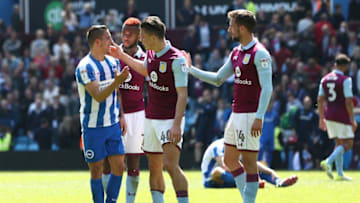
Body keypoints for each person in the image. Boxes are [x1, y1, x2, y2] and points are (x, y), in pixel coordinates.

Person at [186, 9, 273, 203]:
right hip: (236, 114)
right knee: (229, 160)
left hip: (250, 115)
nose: (229, 29)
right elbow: (218, 79)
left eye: (231, 25)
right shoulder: (236, 52)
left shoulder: (260, 53)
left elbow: (267, 88)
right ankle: (247, 199)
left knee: (249, 163)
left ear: (242, 28)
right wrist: (190, 69)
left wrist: (259, 116)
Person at [110, 16, 189, 203]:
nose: (141, 40)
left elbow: (183, 95)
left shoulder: (176, 59)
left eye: (143, 37)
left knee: (170, 165)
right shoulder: (152, 54)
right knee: (154, 167)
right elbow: (145, 69)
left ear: (153, 37)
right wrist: (121, 55)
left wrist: (176, 125)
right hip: (151, 119)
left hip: (170, 120)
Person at [75, 25, 129, 203]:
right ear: (97, 42)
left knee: (120, 167)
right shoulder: (85, 67)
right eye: (108, 38)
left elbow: (117, 92)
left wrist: (121, 115)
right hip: (93, 127)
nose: (112, 41)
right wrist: (117, 81)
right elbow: (98, 95)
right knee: (96, 170)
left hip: (112, 124)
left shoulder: (112, 62)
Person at [101, 17, 146, 203]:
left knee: (134, 162)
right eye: (123, 33)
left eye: (130, 34)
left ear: (139, 36)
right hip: (112, 114)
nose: (125, 37)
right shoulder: (111, 55)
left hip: (137, 115)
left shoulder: (145, 57)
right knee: (108, 162)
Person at [318, 54, 357, 181]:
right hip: (341, 114)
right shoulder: (346, 80)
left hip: (329, 114)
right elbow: (348, 101)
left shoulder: (324, 79)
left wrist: (321, 117)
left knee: (339, 143)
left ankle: (340, 174)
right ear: (345, 66)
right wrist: (352, 119)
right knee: (349, 143)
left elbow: (320, 99)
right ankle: (328, 161)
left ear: (335, 65)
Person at [202, 138, 298, 188]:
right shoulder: (217, 146)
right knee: (218, 171)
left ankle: (278, 181)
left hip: (231, 179)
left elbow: (251, 163)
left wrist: (270, 171)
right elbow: (225, 165)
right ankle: (252, 183)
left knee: (254, 168)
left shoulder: (237, 146)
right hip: (211, 181)